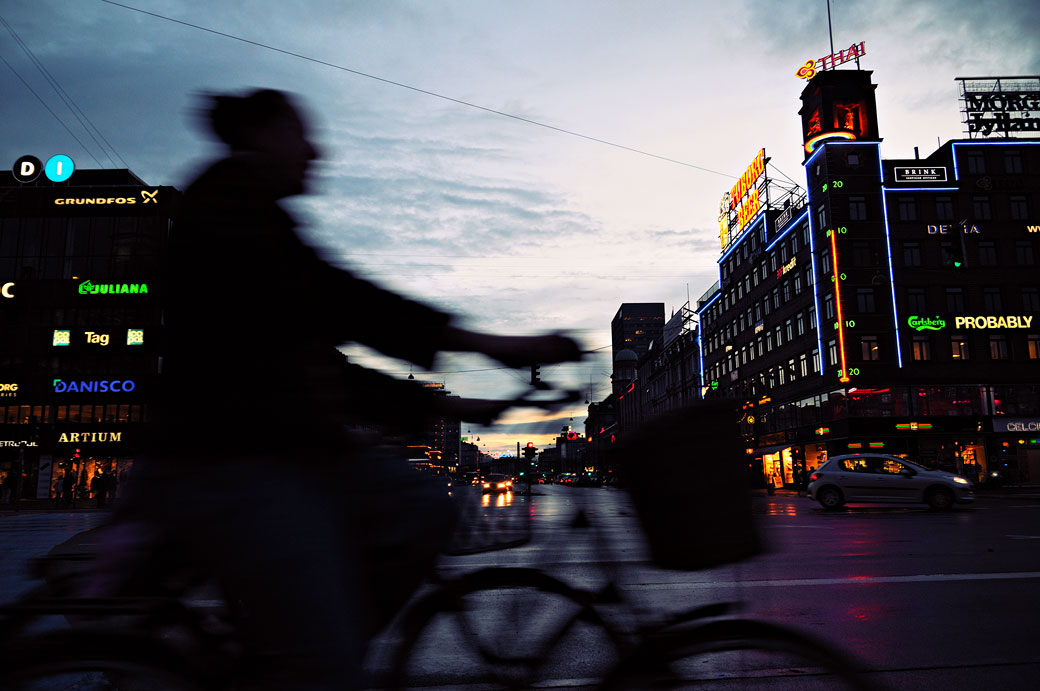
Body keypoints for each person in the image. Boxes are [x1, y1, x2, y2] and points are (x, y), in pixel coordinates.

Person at [109, 88, 582, 690]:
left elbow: (318, 359)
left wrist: (451, 403)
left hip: (282, 452)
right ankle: (311, 659)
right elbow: (342, 299)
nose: (315, 150)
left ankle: (306, 648)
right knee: (324, 656)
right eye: (299, 133)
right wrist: (498, 344)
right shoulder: (231, 208)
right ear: (262, 134)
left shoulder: (252, 210)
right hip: (235, 459)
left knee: (416, 509)